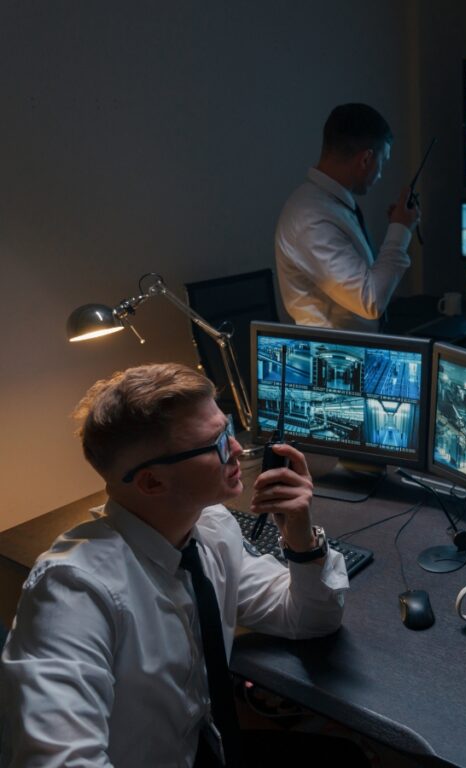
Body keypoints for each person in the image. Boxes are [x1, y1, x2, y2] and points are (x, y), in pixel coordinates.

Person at [0, 363, 365, 766]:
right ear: (152, 483)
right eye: (217, 442)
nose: (238, 449)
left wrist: (300, 535)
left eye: (228, 430)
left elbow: (308, 618)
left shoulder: (210, 528)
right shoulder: (73, 593)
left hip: (206, 746)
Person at [275, 103, 420, 331]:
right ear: (365, 160)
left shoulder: (330, 205)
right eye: (382, 163)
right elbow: (369, 300)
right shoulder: (312, 219)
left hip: (352, 352)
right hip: (333, 359)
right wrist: (399, 232)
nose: (380, 174)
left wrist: (396, 225)